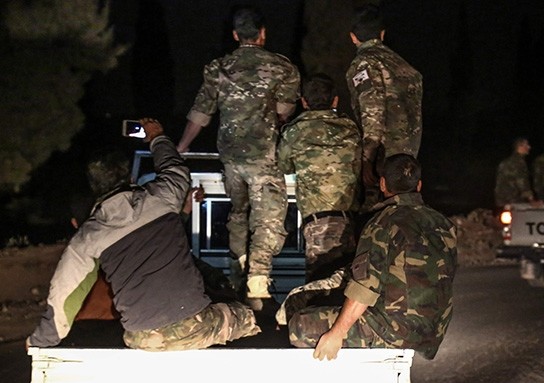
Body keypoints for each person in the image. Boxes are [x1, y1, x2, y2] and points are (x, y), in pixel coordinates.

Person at [27, 118, 260, 351]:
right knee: (244, 314)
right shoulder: (162, 197)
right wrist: (157, 137)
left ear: (95, 188)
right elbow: (175, 169)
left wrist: (39, 341)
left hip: (141, 338)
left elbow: (63, 297)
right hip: (193, 328)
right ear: (129, 178)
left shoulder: (89, 236)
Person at [177, 6, 301, 310]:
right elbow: (284, 112)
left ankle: (240, 265)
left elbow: (201, 114)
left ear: (235, 35)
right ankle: (257, 285)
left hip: (231, 158)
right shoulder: (283, 68)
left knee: (239, 211)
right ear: (263, 34)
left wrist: (180, 147)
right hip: (264, 156)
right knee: (268, 220)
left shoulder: (219, 68)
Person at [286, 154, 458, 361]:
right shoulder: (444, 224)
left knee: (300, 325)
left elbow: (365, 285)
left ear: (383, 184)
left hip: (393, 331)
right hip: (432, 332)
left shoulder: (382, 223)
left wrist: (337, 334)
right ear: (419, 185)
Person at [277, 73, 361, 282]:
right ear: (335, 100)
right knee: (349, 284)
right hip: (350, 221)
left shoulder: (294, 132)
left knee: (318, 287)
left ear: (304, 102)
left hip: (317, 225)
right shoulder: (351, 129)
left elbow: (283, 166)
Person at [346, 4, 423, 212]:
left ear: (353, 37)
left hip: (383, 162)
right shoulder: (405, 67)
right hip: (408, 162)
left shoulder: (365, 64)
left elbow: (373, 114)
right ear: (382, 34)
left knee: (376, 218)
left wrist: (367, 161)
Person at [494, 137, 535, 208]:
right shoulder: (519, 162)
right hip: (515, 200)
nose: (529, 147)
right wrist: (531, 200)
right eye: (527, 145)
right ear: (520, 147)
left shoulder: (505, 162)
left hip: (501, 201)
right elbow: (522, 182)